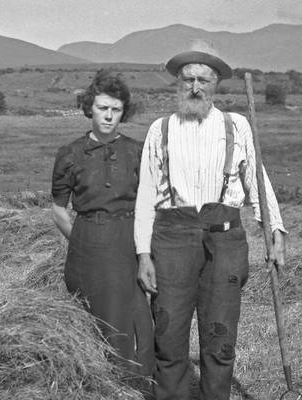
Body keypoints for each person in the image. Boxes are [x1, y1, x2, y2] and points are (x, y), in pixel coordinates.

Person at [135, 39, 286, 400]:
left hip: (225, 239)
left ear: (216, 83)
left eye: (203, 79)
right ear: (178, 83)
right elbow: (145, 194)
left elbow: (256, 182)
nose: (195, 87)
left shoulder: (236, 126)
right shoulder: (161, 129)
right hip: (172, 239)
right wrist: (143, 253)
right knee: (168, 335)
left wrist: (275, 229)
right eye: (188, 79)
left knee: (220, 338)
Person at [51, 71, 154, 386]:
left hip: (130, 238)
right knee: (97, 316)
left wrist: (140, 247)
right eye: (102, 108)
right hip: (88, 242)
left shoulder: (139, 151)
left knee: (137, 316)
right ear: (89, 108)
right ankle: (99, 383)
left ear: (124, 112)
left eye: (116, 109)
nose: (109, 116)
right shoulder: (69, 154)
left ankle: (137, 384)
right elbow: (58, 209)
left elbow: (151, 203)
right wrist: (86, 240)